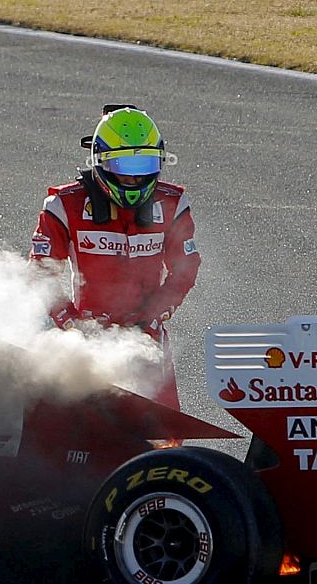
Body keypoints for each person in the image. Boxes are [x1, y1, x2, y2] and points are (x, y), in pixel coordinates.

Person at [30, 105, 200, 409]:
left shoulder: (173, 203)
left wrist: (153, 314)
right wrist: (72, 325)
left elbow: (185, 268)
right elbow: (41, 272)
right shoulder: (62, 205)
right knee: (62, 431)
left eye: (144, 166)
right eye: (123, 167)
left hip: (147, 339)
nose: (134, 179)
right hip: (79, 340)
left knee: (163, 435)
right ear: (99, 161)